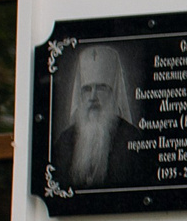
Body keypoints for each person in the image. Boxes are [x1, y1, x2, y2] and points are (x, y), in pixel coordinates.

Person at [58, 44, 141, 188]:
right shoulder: (64, 141)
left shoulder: (132, 139)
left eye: (101, 88)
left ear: (113, 93)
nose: (92, 97)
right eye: (87, 89)